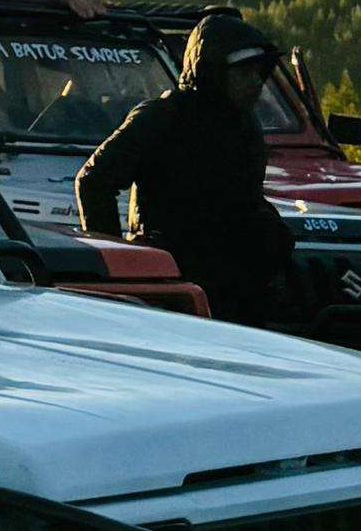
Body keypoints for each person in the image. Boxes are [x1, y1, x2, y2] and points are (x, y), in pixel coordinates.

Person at [74, 19, 298, 328]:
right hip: (172, 281)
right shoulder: (163, 117)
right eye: (244, 72)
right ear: (213, 71)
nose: (256, 82)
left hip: (237, 283)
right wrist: (118, 269)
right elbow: (94, 181)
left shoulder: (244, 126)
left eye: (260, 72)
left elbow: (245, 199)